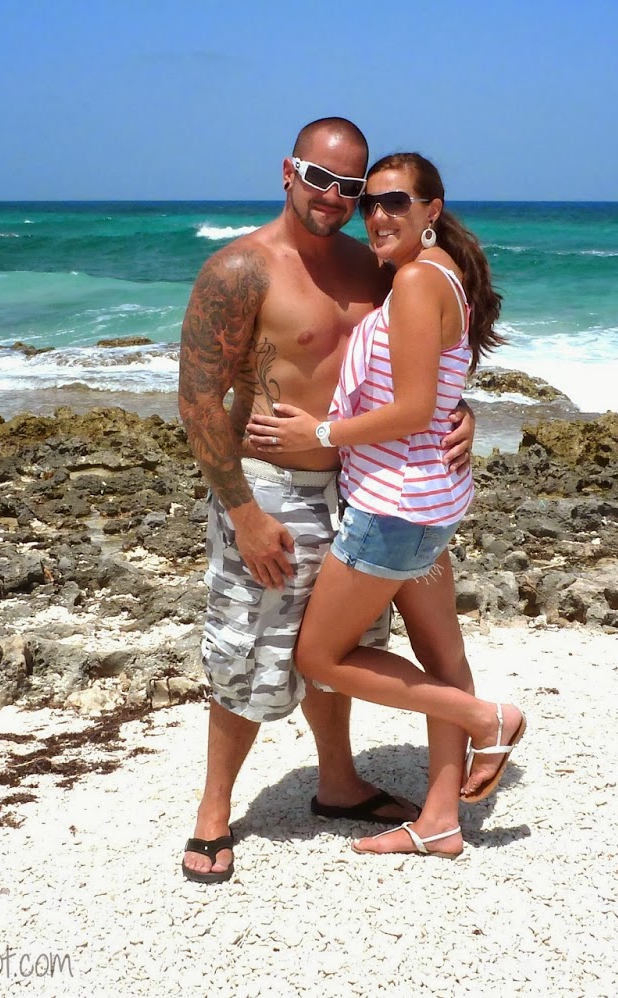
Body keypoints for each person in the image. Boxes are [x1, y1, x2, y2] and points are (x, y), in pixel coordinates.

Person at [176, 120, 475, 883]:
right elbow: (198, 400)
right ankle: (214, 811)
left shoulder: (375, 265)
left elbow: (427, 358)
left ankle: (338, 782)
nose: (337, 198)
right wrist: (243, 514)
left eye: (353, 188)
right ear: (288, 172)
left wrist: (461, 413)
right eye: (321, 179)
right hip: (272, 489)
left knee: (337, 645)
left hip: (362, 483)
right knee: (248, 647)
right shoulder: (240, 270)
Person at [246, 153, 524, 859]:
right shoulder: (436, 275)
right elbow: (439, 391)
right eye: (370, 202)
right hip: (430, 500)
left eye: (396, 201)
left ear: (433, 209)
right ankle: (440, 820)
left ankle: (486, 719)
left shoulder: (417, 281)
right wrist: (460, 414)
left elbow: (414, 408)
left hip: (393, 506)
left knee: (320, 656)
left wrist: (319, 434)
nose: (378, 214)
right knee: (441, 654)